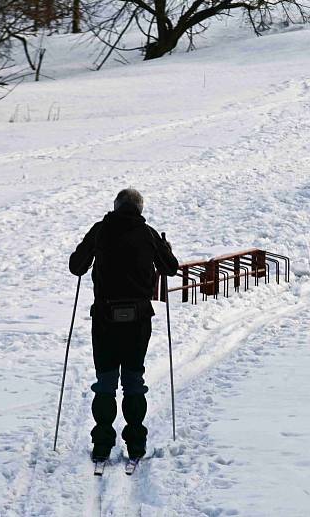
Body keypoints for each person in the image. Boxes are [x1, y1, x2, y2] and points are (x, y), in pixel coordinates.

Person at [69, 188, 179, 462]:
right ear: (139, 209)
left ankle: (103, 445)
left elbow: (76, 267)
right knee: (133, 380)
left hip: (105, 319)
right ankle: (136, 445)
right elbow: (170, 268)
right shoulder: (149, 234)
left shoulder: (100, 230)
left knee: (105, 381)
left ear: (115, 206)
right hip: (138, 320)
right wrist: (165, 248)